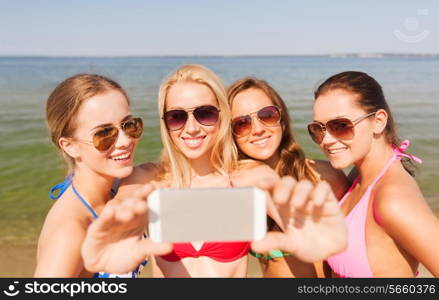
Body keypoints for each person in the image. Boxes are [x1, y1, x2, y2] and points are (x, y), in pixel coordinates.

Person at [81, 64, 348, 277]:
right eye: (177, 116)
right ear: (165, 123)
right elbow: (117, 210)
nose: (192, 127)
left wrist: (308, 230)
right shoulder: (147, 179)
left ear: (221, 117)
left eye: (205, 113)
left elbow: (282, 205)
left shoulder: (248, 176)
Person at [34, 74, 169, 277]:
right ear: (70, 146)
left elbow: (158, 169)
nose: (125, 141)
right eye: (104, 134)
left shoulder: (117, 186)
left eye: (128, 125)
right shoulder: (70, 232)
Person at [309, 71, 439, 277]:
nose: (326, 140)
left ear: (378, 121)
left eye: (340, 126)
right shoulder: (359, 175)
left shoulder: (392, 200)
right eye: (318, 129)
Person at [227, 77, 350, 277]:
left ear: (281, 120)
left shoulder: (325, 176)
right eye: (242, 123)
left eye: (267, 115)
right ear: (230, 133)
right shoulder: (238, 184)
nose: (258, 129)